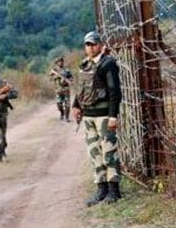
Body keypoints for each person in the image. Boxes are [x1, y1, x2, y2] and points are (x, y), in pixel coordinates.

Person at [71, 31, 123, 206]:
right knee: (95, 153)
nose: (90, 48)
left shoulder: (108, 64)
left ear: (100, 44)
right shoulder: (85, 64)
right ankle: (101, 188)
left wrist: (113, 116)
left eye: (93, 44)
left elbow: (115, 91)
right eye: (87, 44)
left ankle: (114, 190)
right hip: (89, 116)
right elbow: (81, 89)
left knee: (109, 151)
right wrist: (76, 106)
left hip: (104, 116)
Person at [49, 56, 73, 122]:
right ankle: (62, 113)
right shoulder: (54, 70)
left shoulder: (67, 70)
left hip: (66, 89)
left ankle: (67, 117)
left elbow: (71, 78)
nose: (60, 63)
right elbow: (50, 79)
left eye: (61, 61)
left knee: (67, 104)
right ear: (56, 63)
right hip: (58, 90)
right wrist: (57, 76)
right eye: (59, 62)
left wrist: (67, 80)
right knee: (59, 104)